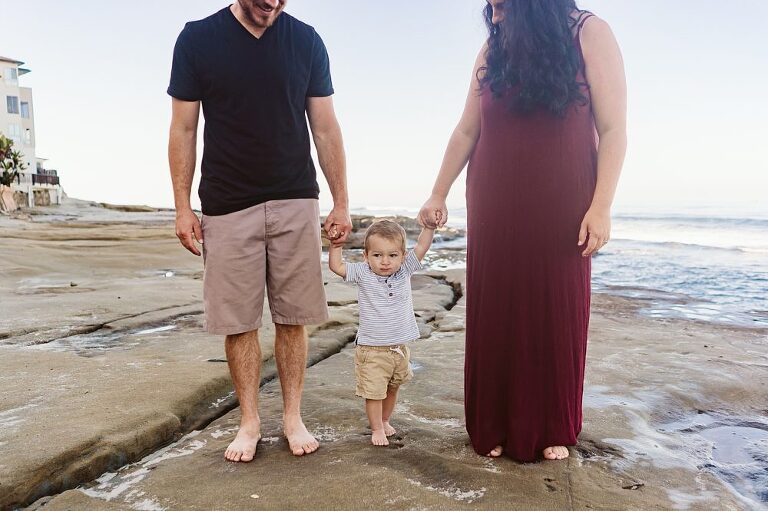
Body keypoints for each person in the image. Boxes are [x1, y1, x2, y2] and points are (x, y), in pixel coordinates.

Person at [418, 0, 626, 462]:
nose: (492, 6)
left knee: (555, 306)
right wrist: (438, 192)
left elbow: (613, 129)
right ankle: (492, 421)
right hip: (493, 198)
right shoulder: (492, 49)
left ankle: (552, 423)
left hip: (563, 201)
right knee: (497, 305)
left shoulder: (589, 32)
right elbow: (467, 131)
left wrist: (602, 205)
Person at [167, 0, 352, 462]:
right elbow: (183, 128)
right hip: (227, 202)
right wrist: (182, 206)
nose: (272, 2)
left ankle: (293, 417)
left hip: (295, 196)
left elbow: (325, 128)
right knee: (239, 321)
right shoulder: (197, 38)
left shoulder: (306, 40)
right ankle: (249, 421)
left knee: (293, 316)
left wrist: (341, 201)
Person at [328, 220, 434, 446]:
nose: (385, 262)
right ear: (366, 256)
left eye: (392, 255)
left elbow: (422, 246)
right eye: (377, 255)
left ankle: (385, 420)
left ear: (403, 256)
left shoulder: (404, 270)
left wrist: (430, 227)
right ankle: (376, 429)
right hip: (372, 349)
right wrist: (336, 245)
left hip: (399, 348)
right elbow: (337, 267)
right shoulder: (363, 273)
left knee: (393, 387)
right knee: (374, 392)